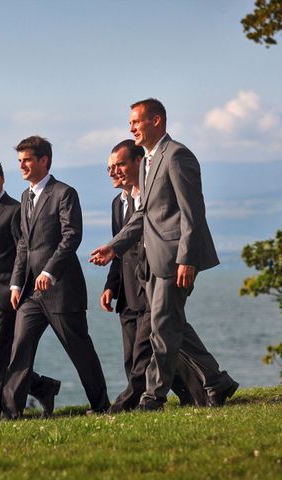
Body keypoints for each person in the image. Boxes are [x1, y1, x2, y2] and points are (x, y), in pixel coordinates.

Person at [90, 99, 238, 410]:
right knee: (173, 326)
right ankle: (216, 380)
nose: (131, 128)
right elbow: (143, 214)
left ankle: (152, 397)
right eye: (130, 123)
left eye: (136, 121)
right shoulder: (145, 162)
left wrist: (187, 258)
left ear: (156, 121)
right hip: (153, 261)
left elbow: (193, 213)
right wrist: (114, 246)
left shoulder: (178, 155)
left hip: (175, 259)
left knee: (161, 327)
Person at [3, 136, 110, 418]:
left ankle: (101, 406)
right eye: (20, 161)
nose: (22, 166)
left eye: (27, 160)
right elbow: (24, 244)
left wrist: (50, 271)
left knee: (80, 350)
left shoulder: (64, 193)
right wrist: (16, 283)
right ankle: (11, 414)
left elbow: (71, 236)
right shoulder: (25, 197)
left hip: (63, 289)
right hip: (31, 295)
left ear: (44, 161)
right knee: (20, 350)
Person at [103, 140, 205, 412]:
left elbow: (189, 215)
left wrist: (187, 259)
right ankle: (208, 387)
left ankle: (138, 401)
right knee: (168, 337)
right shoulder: (118, 203)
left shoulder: (173, 161)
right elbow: (121, 247)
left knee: (150, 346)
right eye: (110, 168)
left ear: (139, 163)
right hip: (129, 288)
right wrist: (111, 285)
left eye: (120, 165)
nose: (114, 172)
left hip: (158, 275)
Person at [0, 157, 61, 419]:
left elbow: (24, 253)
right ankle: (43, 386)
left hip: (6, 298)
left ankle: (0, 413)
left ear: (3, 178)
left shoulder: (14, 209)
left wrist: (17, 286)